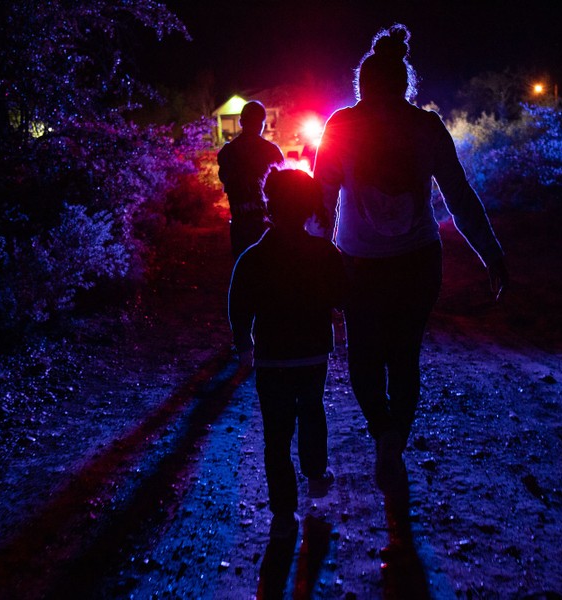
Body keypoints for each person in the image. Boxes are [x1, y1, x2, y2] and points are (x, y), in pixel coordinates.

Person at [313, 24, 508, 497]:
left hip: (358, 263)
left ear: (363, 84)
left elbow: (320, 201)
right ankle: (394, 442)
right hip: (418, 262)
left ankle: (382, 433)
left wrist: (312, 262)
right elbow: (459, 198)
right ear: (404, 83)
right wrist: (491, 253)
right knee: (404, 359)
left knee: (363, 360)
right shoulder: (427, 126)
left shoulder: (341, 125)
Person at [228, 168, 346, 539]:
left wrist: (244, 344)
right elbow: (342, 297)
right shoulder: (324, 253)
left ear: (269, 205)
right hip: (312, 354)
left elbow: (239, 305)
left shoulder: (253, 257)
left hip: (271, 358)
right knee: (312, 412)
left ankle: (283, 511)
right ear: (309, 206)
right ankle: (316, 474)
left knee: (276, 435)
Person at [217, 101, 285, 257]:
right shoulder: (272, 151)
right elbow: (283, 188)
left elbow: (225, 180)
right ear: (262, 124)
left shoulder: (228, 152)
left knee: (243, 266)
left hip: (240, 225)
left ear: (241, 122)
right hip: (266, 225)